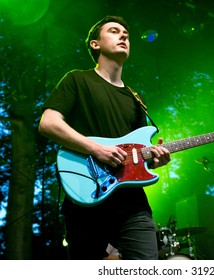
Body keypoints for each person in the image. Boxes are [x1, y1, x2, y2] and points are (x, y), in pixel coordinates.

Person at [38, 15, 171, 260]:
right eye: (114, 31)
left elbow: (138, 153)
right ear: (95, 44)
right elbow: (48, 123)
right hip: (85, 196)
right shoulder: (77, 79)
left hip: (132, 204)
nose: (124, 36)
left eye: (126, 34)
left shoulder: (135, 98)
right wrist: (96, 149)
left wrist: (155, 159)